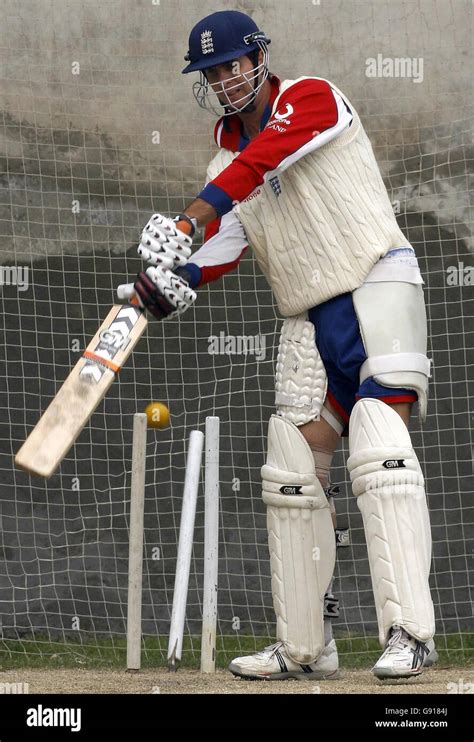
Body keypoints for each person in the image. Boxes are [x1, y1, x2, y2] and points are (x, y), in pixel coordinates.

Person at [120, 10, 438, 680]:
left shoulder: (314, 99)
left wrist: (187, 218)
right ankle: (305, 646)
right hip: (309, 314)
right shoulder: (224, 161)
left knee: (380, 448)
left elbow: (262, 162)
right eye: (213, 71)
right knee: (293, 469)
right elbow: (229, 244)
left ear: (259, 59)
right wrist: (170, 282)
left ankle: (410, 632)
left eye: (234, 64)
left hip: (377, 286)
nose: (226, 79)